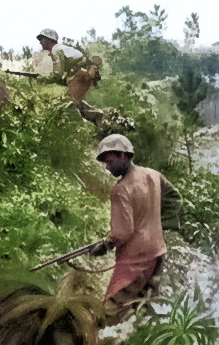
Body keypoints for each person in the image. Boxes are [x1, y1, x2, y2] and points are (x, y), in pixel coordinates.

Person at [92, 134, 182, 324]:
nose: (108, 168)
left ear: (124, 155)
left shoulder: (121, 190)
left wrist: (105, 245)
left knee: (110, 313)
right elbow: (174, 198)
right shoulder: (153, 175)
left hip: (135, 259)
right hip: (157, 251)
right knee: (144, 306)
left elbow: (122, 233)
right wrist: (156, 223)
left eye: (110, 162)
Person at [36, 28, 103, 124]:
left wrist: (43, 79)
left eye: (41, 39)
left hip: (81, 76)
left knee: (67, 104)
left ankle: (90, 120)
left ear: (48, 39)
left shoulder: (57, 50)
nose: (40, 42)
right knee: (73, 103)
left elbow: (58, 74)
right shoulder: (59, 49)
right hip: (81, 76)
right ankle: (94, 116)